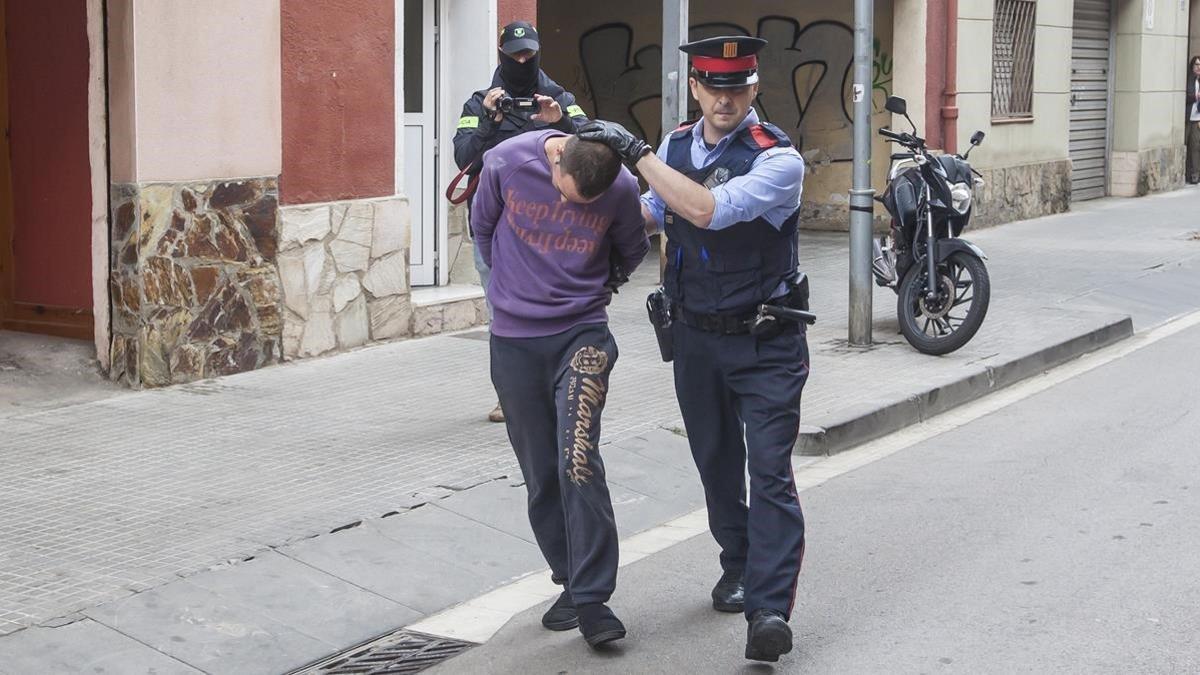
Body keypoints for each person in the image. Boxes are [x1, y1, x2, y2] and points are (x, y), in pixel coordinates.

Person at [580, 35, 810, 663]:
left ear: (754, 88)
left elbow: (707, 211)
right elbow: (657, 210)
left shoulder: (777, 159)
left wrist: (637, 154)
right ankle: (736, 564)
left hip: (767, 341)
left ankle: (768, 610)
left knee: (768, 473)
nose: (725, 98)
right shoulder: (680, 146)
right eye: (714, 86)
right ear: (697, 89)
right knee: (714, 463)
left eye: (737, 87)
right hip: (696, 337)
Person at [470, 124, 650, 648]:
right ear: (555, 162)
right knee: (541, 472)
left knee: (577, 458)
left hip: (582, 336)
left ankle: (593, 599)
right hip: (514, 342)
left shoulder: (618, 187)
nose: (577, 208)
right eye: (570, 196)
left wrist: (601, 287)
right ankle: (570, 580)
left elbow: (632, 249)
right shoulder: (505, 162)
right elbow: (482, 230)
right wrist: (506, 291)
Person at [453, 21, 590, 423]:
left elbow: (592, 141)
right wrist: (489, 123)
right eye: (515, 55)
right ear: (501, 56)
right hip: (494, 227)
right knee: (503, 314)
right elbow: (464, 159)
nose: (523, 61)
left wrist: (559, 121)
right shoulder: (480, 103)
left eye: (529, 54)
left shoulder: (560, 98)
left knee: (552, 310)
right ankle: (509, 397)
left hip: (550, 225)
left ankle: (554, 387)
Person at [1186, 55, 1200, 184]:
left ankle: (1195, 175)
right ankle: (1186, 173)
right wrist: (1195, 96)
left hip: (1197, 119)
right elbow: (1184, 97)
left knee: (1195, 147)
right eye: (1196, 64)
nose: (1198, 67)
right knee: (1186, 144)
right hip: (1187, 118)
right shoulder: (1189, 80)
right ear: (1192, 66)